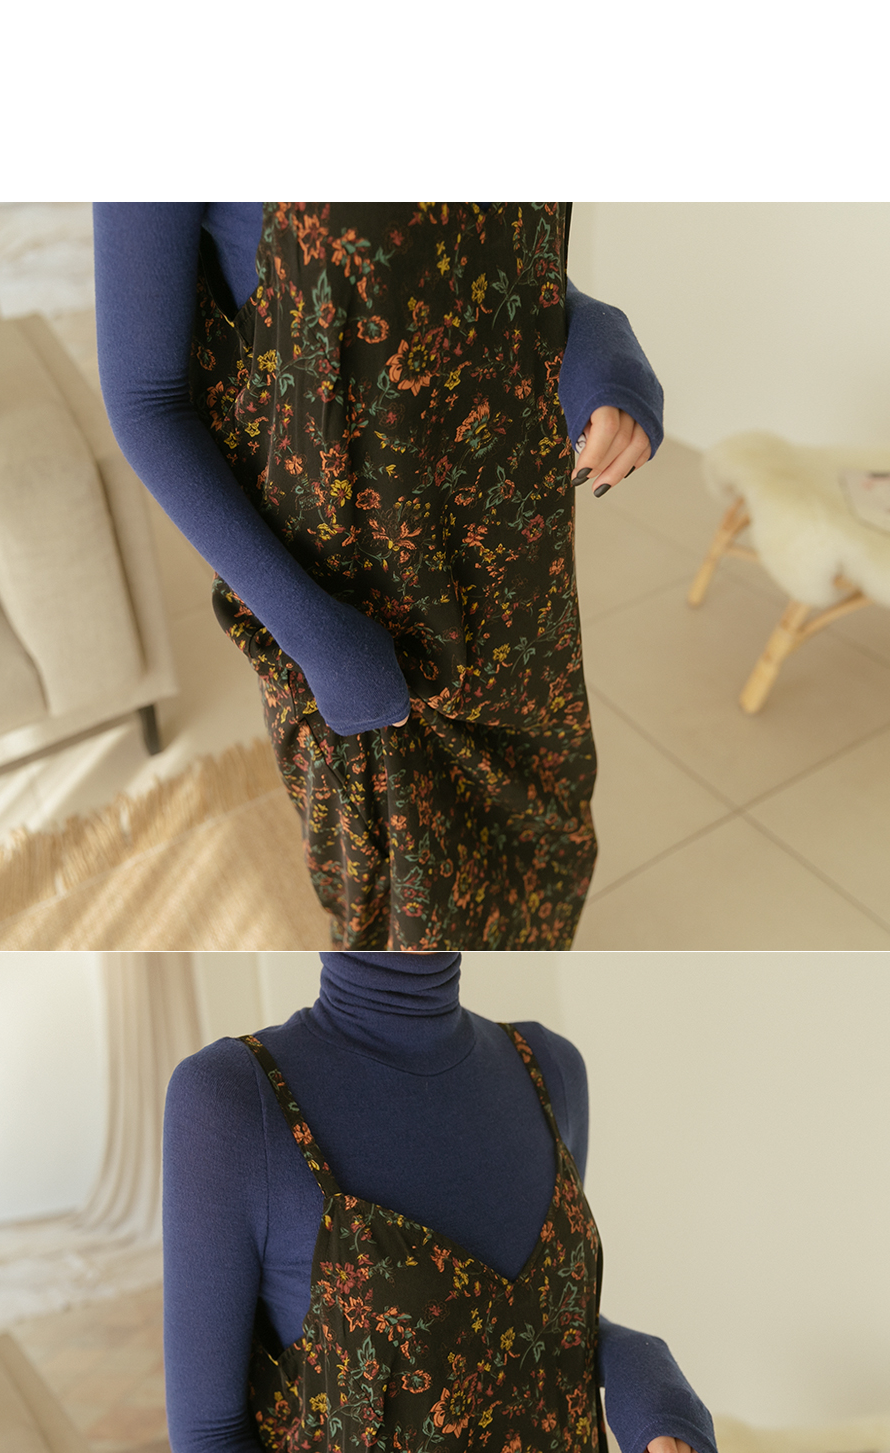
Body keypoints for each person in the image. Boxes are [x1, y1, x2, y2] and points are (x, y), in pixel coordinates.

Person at [163, 954, 715, 1453]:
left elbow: (525, 1325)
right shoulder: (232, 1100)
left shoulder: (551, 1068)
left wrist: (636, 1361)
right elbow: (210, 1433)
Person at [94, 200, 664, 948]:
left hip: (520, 575)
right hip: (359, 614)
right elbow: (149, 401)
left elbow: (496, 263)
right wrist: (315, 635)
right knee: (402, 925)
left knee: (540, 857)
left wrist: (598, 337)